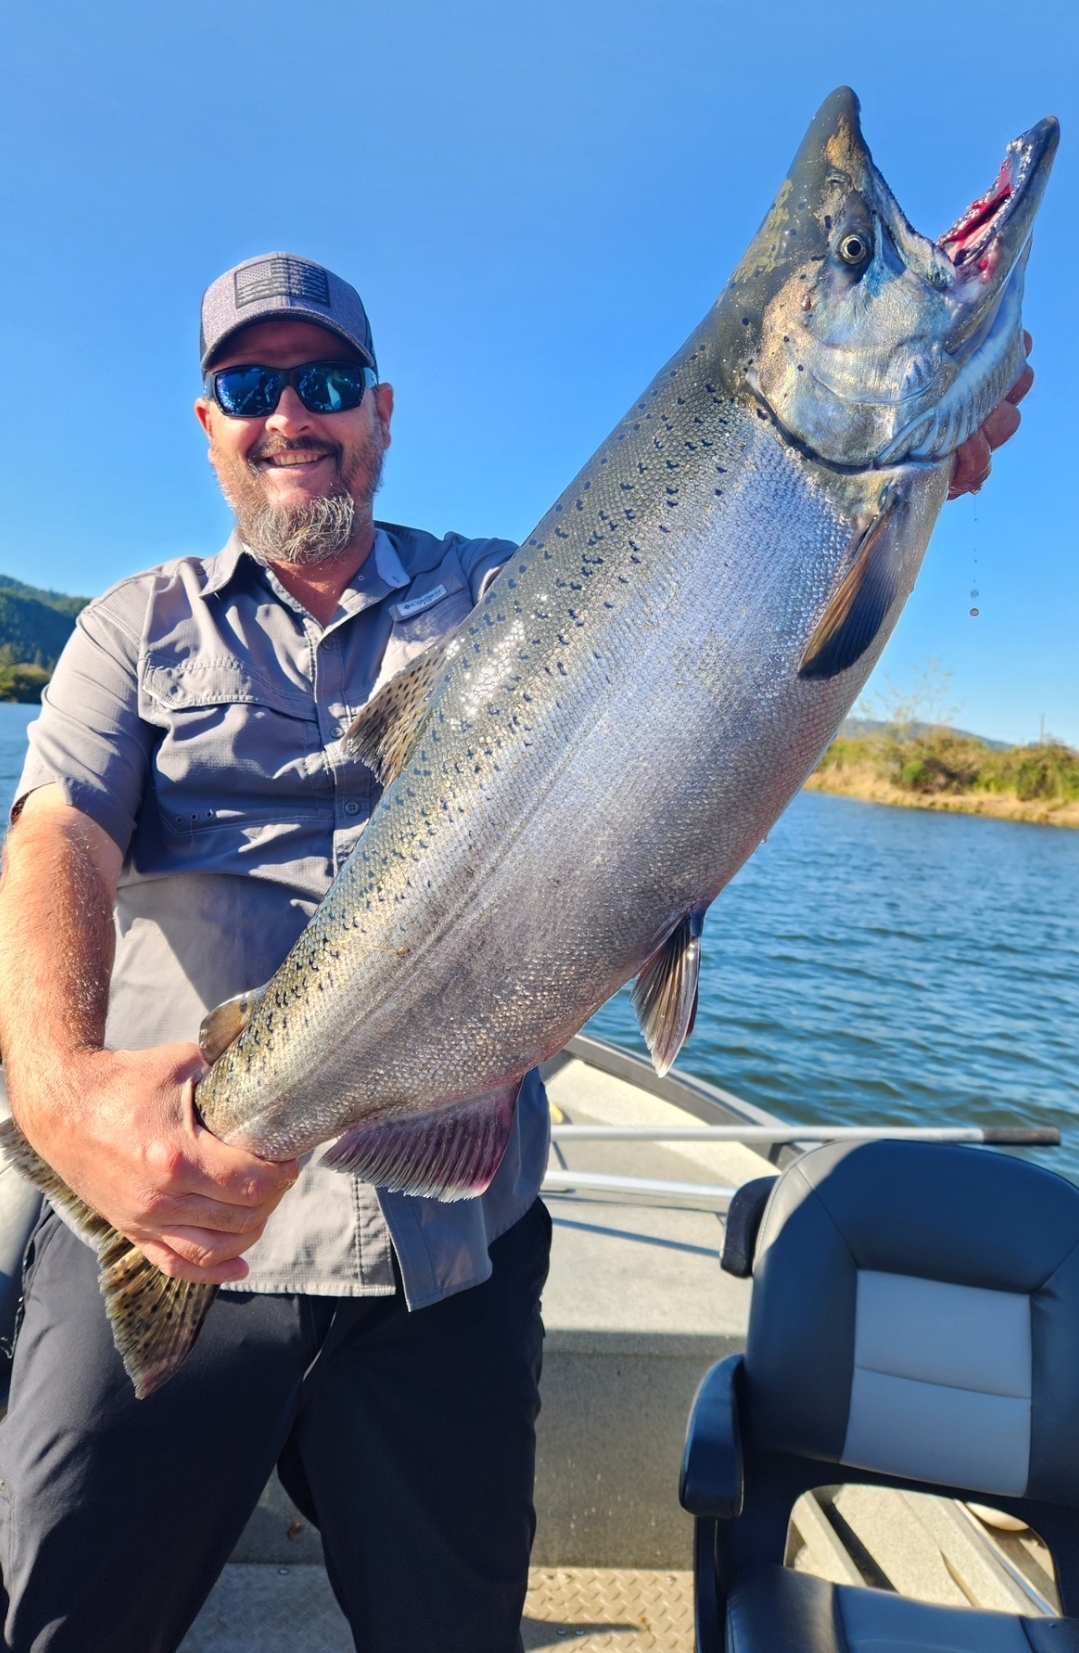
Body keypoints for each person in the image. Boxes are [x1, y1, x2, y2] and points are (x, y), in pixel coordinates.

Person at [0, 252, 1033, 1653]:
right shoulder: (133, 624)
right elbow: (56, 833)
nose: (291, 412)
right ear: (208, 422)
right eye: (252, 383)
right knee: (67, 1618)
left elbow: (732, 628)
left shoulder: (507, 596)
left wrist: (896, 491)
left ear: (380, 412)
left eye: (328, 382)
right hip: (173, 1200)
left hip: (450, 1247)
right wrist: (61, 1093)